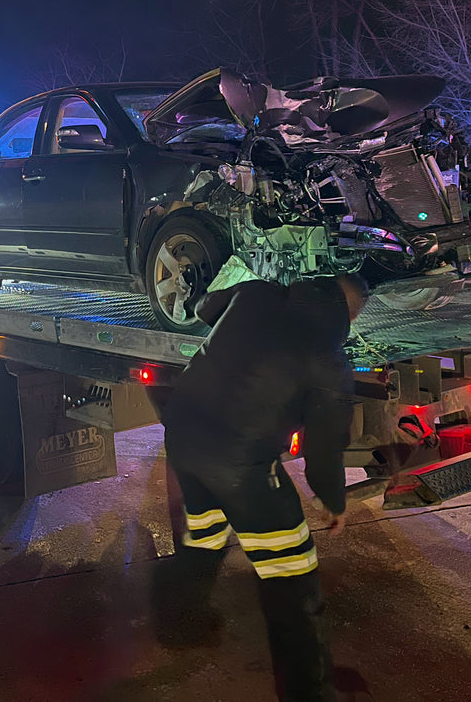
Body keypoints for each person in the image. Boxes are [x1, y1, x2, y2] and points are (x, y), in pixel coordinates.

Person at [152, 273, 368, 702]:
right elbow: (325, 443)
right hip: (241, 465)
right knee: (292, 575)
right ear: (350, 315)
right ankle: (310, 694)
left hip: (184, 436)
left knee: (205, 533)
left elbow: (204, 307)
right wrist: (332, 499)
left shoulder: (256, 293)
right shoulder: (329, 360)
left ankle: (180, 626)